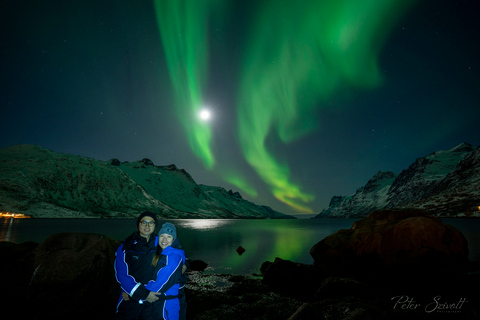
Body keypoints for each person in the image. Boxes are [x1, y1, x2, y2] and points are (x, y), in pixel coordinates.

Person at [114, 211, 161, 320]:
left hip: (153, 299)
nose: (147, 226)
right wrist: (143, 294)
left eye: (151, 223)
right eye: (144, 222)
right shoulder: (126, 247)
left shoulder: (162, 245)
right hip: (130, 299)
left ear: (155, 225)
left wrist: (185, 265)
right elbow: (122, 275)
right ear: (138, 224)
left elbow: (177, 257)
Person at [146, 222, 187, 320]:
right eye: (162, 236)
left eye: (169, 236)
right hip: (160, 301)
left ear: (173, 239)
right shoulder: (162, 253)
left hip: (168, 304)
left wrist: (142, 291)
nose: (164, 239)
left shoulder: (174, 256)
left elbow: (161, 284)